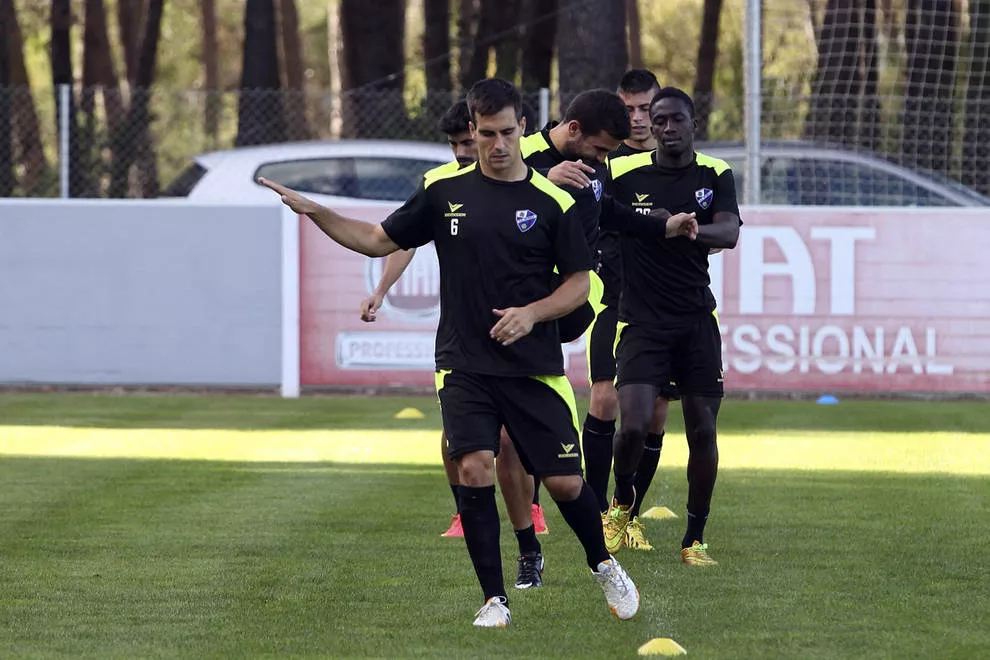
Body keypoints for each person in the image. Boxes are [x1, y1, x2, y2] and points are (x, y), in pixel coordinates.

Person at [263, 78, 641, 628]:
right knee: (473, 465)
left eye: (507, 132)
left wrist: (532, 314)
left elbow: (579, 285)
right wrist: (315, 210)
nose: (497, 145)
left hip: (532, 366)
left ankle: (602, 564)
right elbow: (377, 239)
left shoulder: (554, 199)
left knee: (563, 482)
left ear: (522, 128)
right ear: (473, 130)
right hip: (463, 363)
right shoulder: (443, 191)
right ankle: (494, 599)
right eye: (486, 134)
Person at [359, 100, 551, 594]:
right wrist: (381, 290)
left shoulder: (522, 176)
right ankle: (468, 512)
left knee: (510, 444)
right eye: (458, 145)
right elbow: (402, 241)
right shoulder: (441, 186)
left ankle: (528, 543)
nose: (466, 152)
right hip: (461, 345)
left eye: (471, 142)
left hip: (517, 340)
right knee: (458, 443)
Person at [522, 85, 670, 552]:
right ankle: (528, 523)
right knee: (519, 418)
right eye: (601, 150)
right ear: (573, 129)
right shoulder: (523, 155)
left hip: (572, 302)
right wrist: (541, 177)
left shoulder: (594, 166)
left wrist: (662, 225)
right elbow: (482, 192)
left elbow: (608, 213)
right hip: (521, 303)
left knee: (542, 409)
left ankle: (600, 510)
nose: (606, 159)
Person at [603, 87, 741, 566]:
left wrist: (691, 228)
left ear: (693, 123)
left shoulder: (715, 173)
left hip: (696, 321)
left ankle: (694, 540)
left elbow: (730, 232)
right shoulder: (623, 172)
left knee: (703, 431)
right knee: (632, 427)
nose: (666, 128)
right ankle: (622, 502)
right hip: (641, 321)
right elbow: (598, 215)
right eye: (658, 120)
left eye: (675, 119)